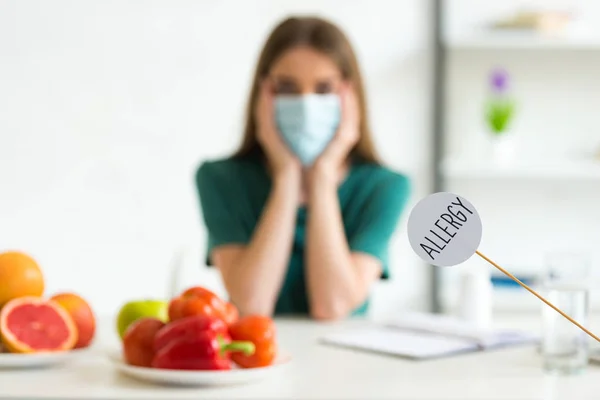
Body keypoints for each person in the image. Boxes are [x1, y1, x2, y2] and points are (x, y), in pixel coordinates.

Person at [195, 16, 410, 320]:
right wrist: (287, 177)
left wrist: (321, 177)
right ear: (263, 95)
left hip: (347, 364)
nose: (306, 104)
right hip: (257, 363)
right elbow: (251, 304)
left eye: (323, 89)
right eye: (287, 88)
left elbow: (333, 306)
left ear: (349, 95)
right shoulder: (219, 179)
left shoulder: (384, 187)